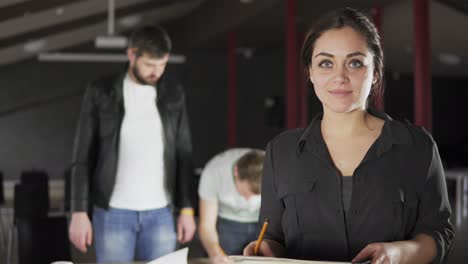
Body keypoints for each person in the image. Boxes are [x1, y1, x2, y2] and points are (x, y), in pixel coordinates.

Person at [244, 7, 454, 264]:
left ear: (375, 72)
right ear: (310, 72)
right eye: (326, 63)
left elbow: (438, 231)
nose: (340, 77)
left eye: (354, 63)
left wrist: (401, 253)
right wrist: (266, 250)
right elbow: (274, 234)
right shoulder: (281, 151)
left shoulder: (416, 146)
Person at [68, 25, 196, 262]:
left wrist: (187, 209)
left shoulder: (173, 92)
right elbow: (82, 156)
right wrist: (78, 211)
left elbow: (183, 153)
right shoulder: (101, 91)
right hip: (112, 212)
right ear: (131, 55)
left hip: (161, 213)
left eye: (162, 64)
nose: (156, 72)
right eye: (149, 65)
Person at [198, 148, 265, 263]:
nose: (248, 200)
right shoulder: (214, 172)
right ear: (236, 172)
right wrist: (215, 254)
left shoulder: (275, 169)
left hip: (263, 222)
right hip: (227, 223)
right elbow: (207, 225)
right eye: (244, 193)